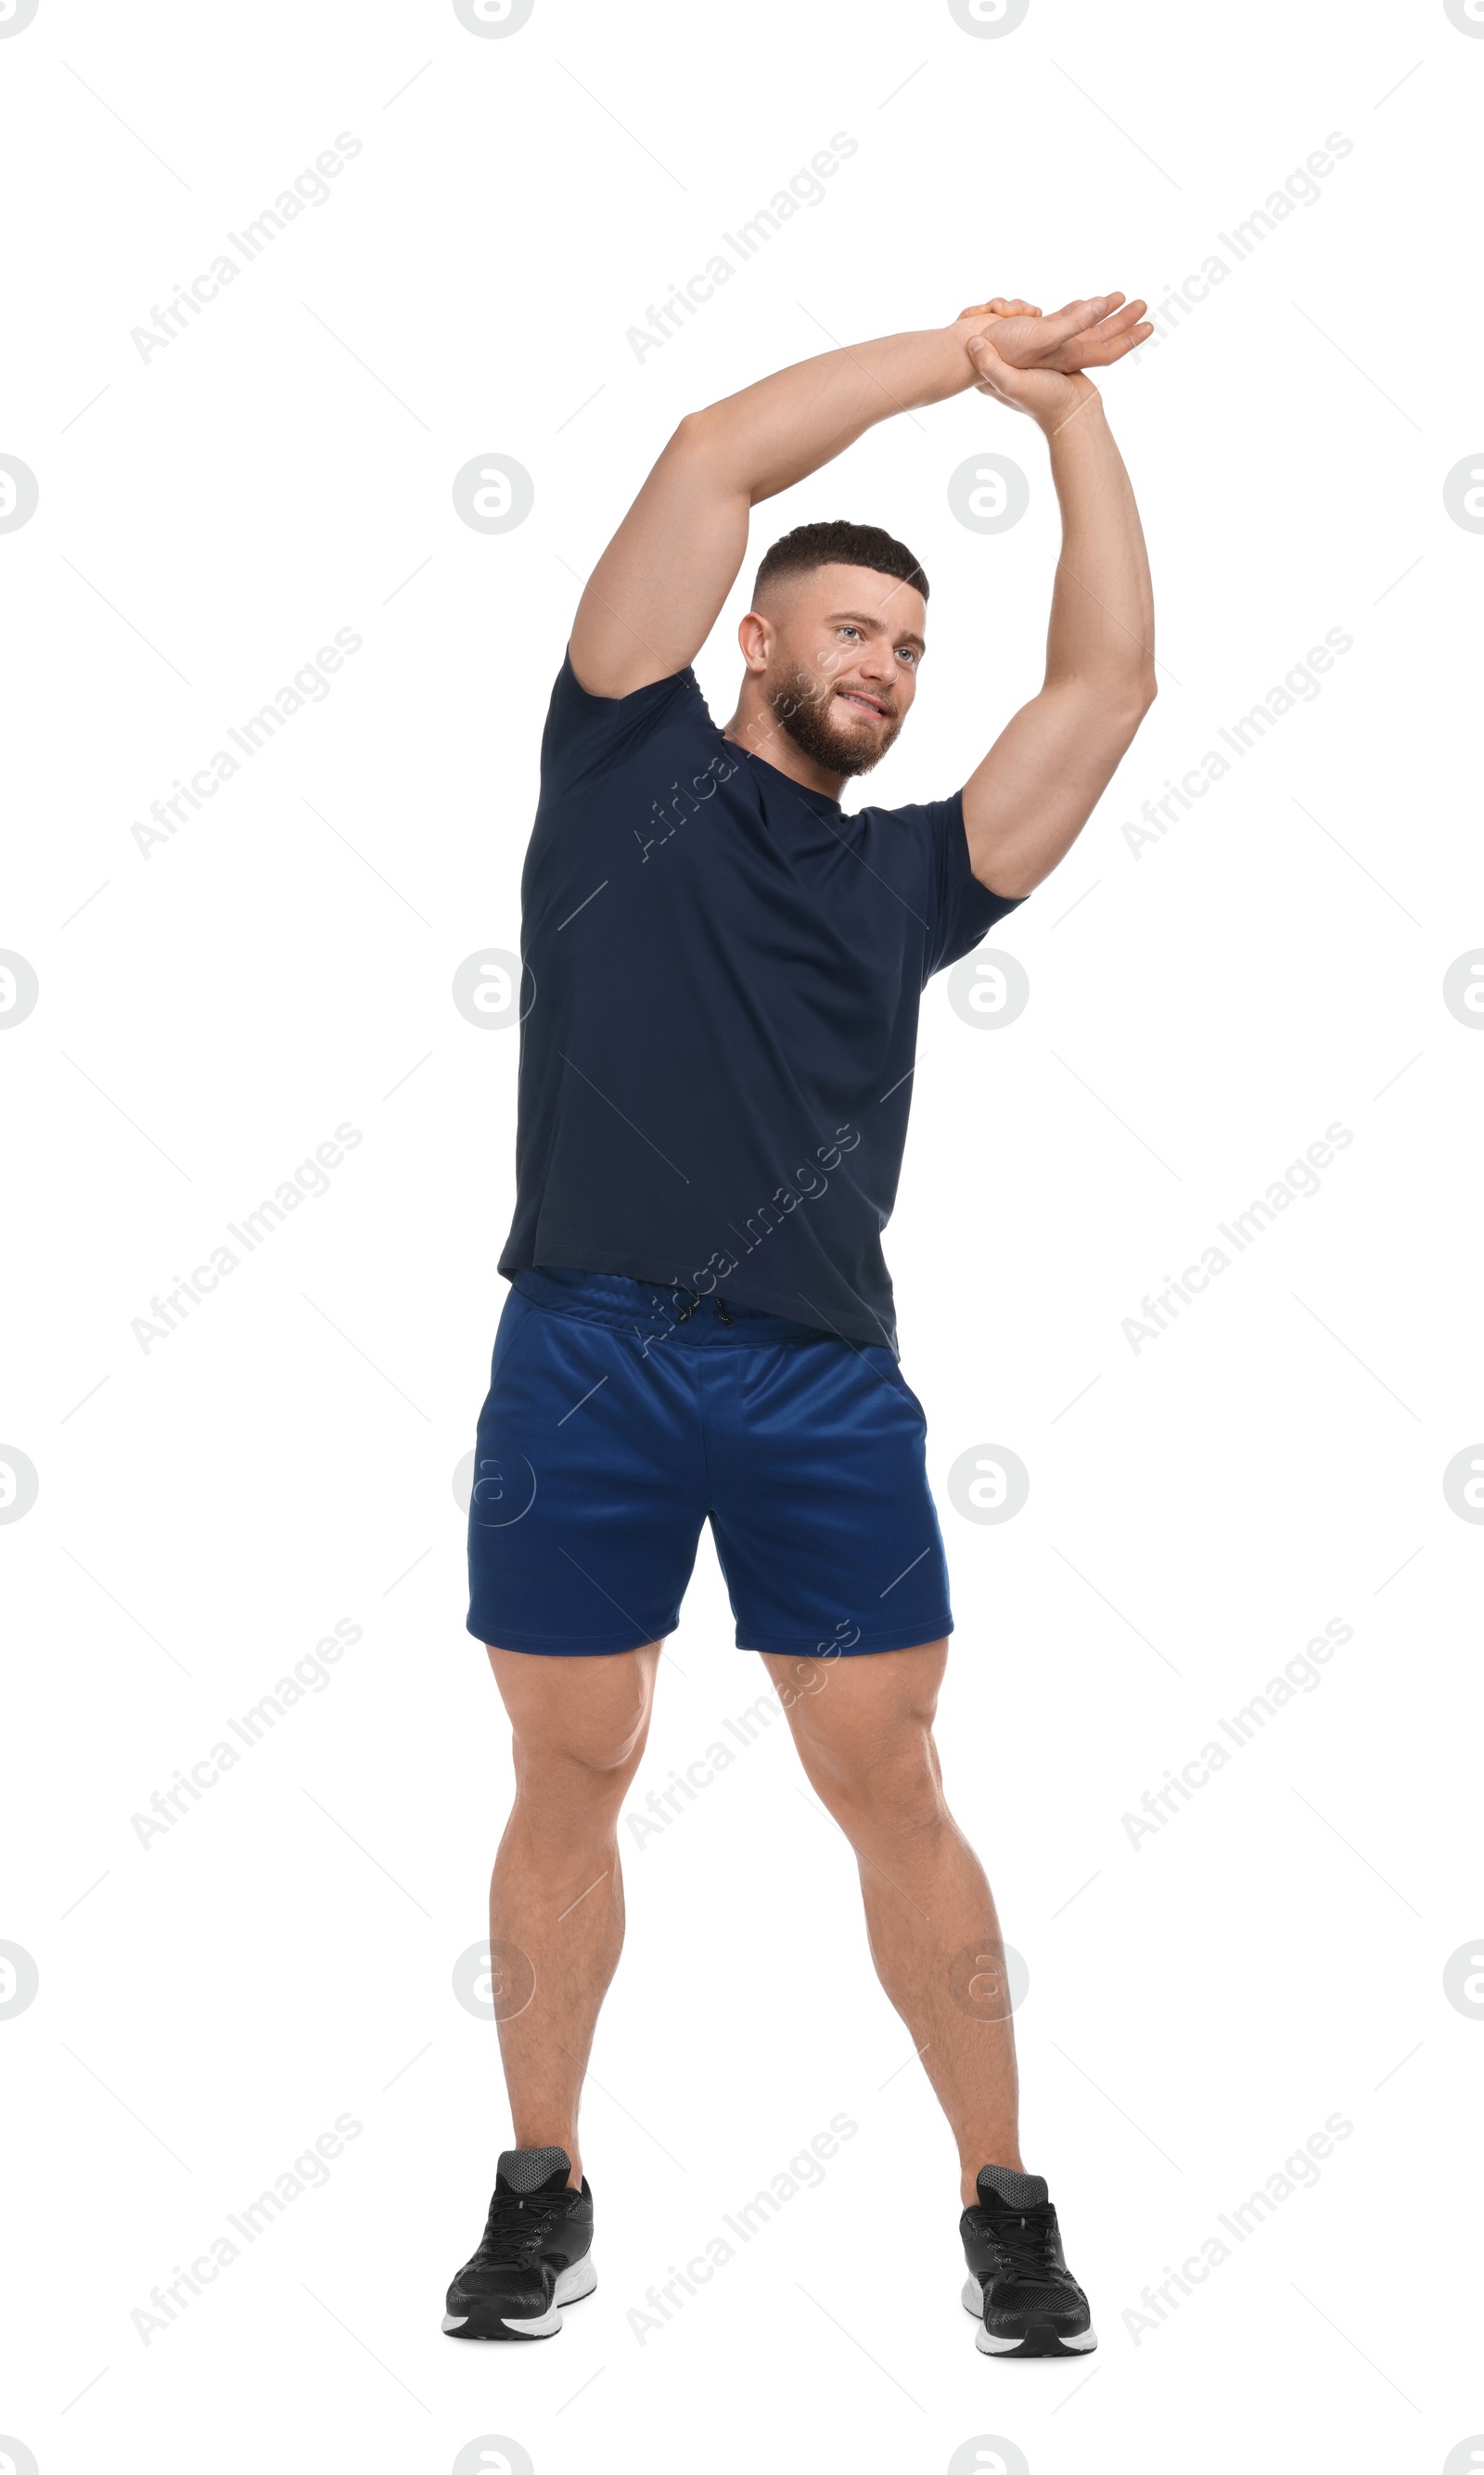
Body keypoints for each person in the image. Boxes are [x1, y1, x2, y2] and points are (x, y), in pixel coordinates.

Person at [443, 292, 1156, 2356]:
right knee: (566, 1758)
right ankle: (539, 2184)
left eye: (913, 651)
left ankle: (1002, 2201)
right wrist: (959, 351)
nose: (888, 668)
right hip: (577, 1345)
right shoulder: (617, 757)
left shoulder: (912, 881)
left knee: (891, 1773)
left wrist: (1067, 423)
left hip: (817, 1379)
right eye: (854, 630)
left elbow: (1106, 682)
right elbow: (705, 455)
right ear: (755, 641)